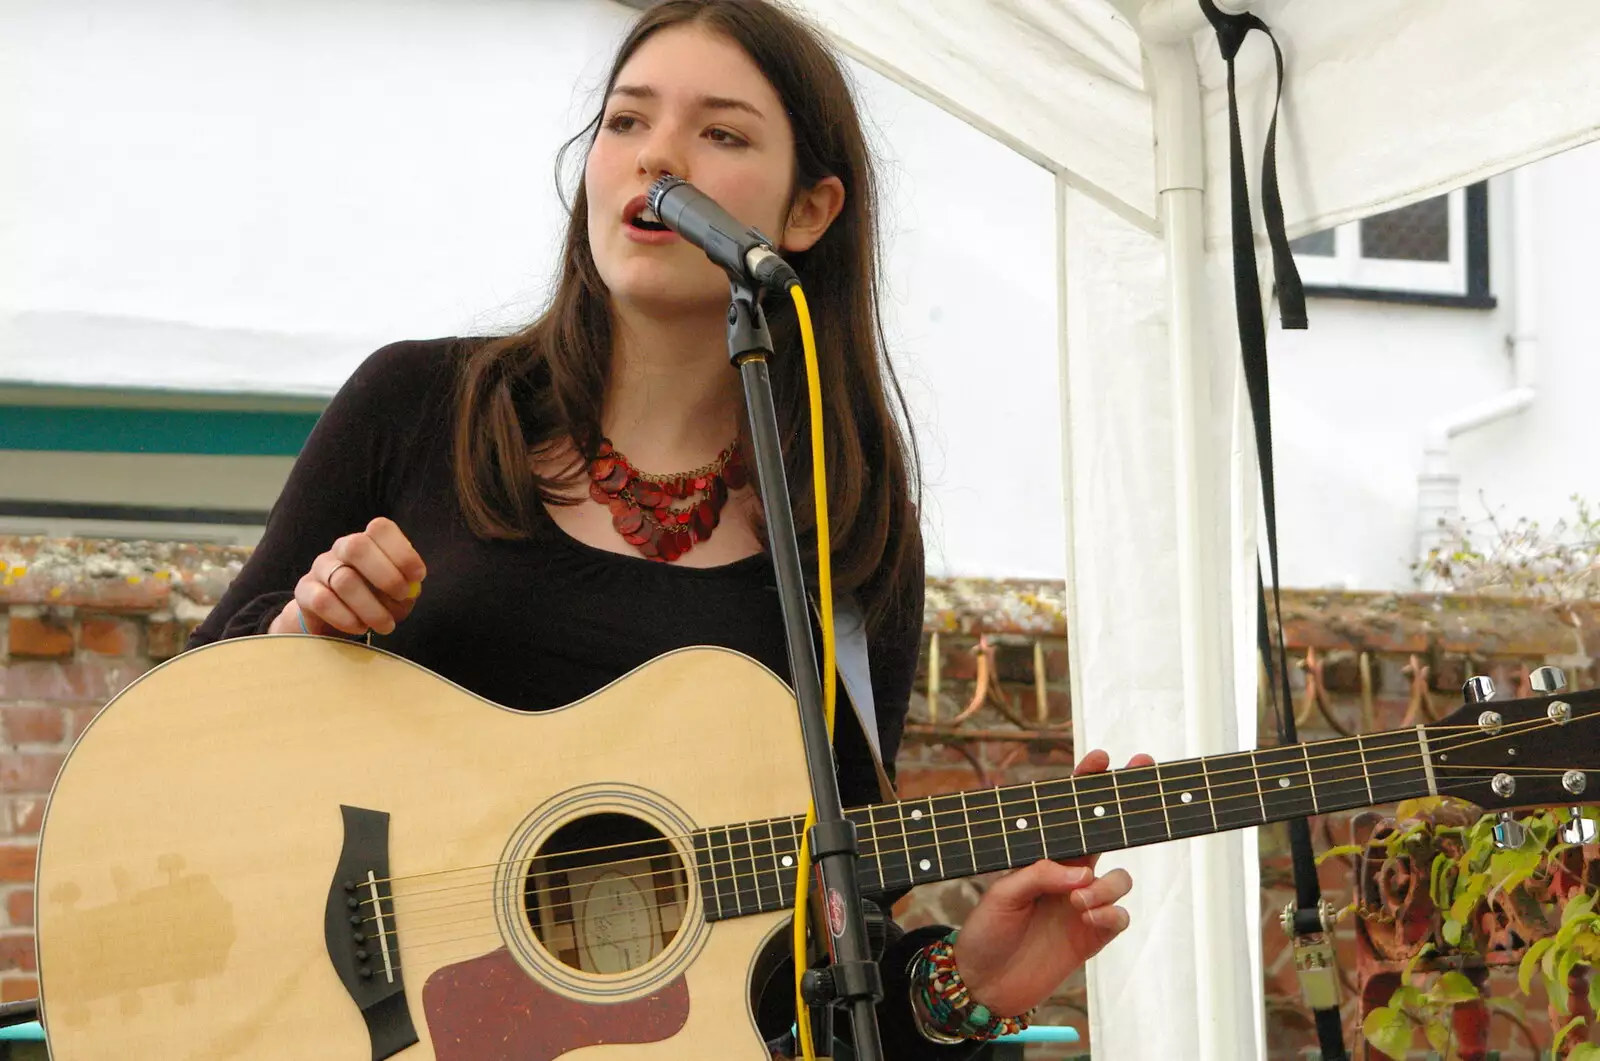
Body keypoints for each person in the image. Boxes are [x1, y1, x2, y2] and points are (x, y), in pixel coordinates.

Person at [189, 1, 1143, 1055]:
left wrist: (966, 984)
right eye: (625, 122)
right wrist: (297, 640)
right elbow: (167, 750)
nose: (657, 159)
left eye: (720, 135)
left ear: (811, 210)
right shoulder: (416, 402)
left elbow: (805, 991)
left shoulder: (849, 529)